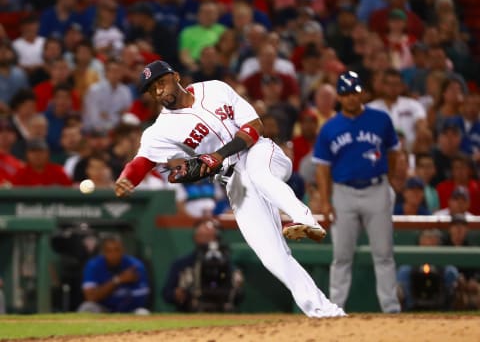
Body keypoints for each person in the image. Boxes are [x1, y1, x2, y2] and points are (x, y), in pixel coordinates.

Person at [114, 60, 345, 318]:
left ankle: (303, 218)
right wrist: (127, 178)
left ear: (175, 76)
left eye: (160, 83)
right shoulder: (160, 131)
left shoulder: (214, 89)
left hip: (261, 152)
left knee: (259, 174)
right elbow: (141, 162)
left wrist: (217, 155)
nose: (158, 91)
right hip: (235, 182)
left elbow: (254, 128)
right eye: (151, 90)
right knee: (270, 254)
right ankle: (325, 312)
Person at [312, 71, 401, 313]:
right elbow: (322, 169)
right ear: (339, 97)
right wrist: (325, 200)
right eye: (346, 93)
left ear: (362, 93)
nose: (351, 97)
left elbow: (394, 153)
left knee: (383, 254)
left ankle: (391, 309)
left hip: (376, 188)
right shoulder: (330, 127)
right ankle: (335, 309)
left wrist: (390, 179)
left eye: (354, 92)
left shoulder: (381, 119)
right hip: (343, 193)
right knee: (341, 256)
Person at [162, 218, 243, 312]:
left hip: (222, 311)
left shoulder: (226, 264)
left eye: (211, 237)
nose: (209, 241)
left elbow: (239, 295)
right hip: (191, 313)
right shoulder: (182, 264)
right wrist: (177, 294)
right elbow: (167, 294)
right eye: (204, 236)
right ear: (196, 238)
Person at [78, 233, 150, 314]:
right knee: (87, 308)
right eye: (109, 251)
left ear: (123, 250)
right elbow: (90, 297)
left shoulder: (135, 265)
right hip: (103, 309)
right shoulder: (93, 265)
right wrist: (118, 280)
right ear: (103, 252)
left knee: (143, 313)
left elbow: (142, 297)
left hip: (129, 310)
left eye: (117, 250)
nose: (113, 254)